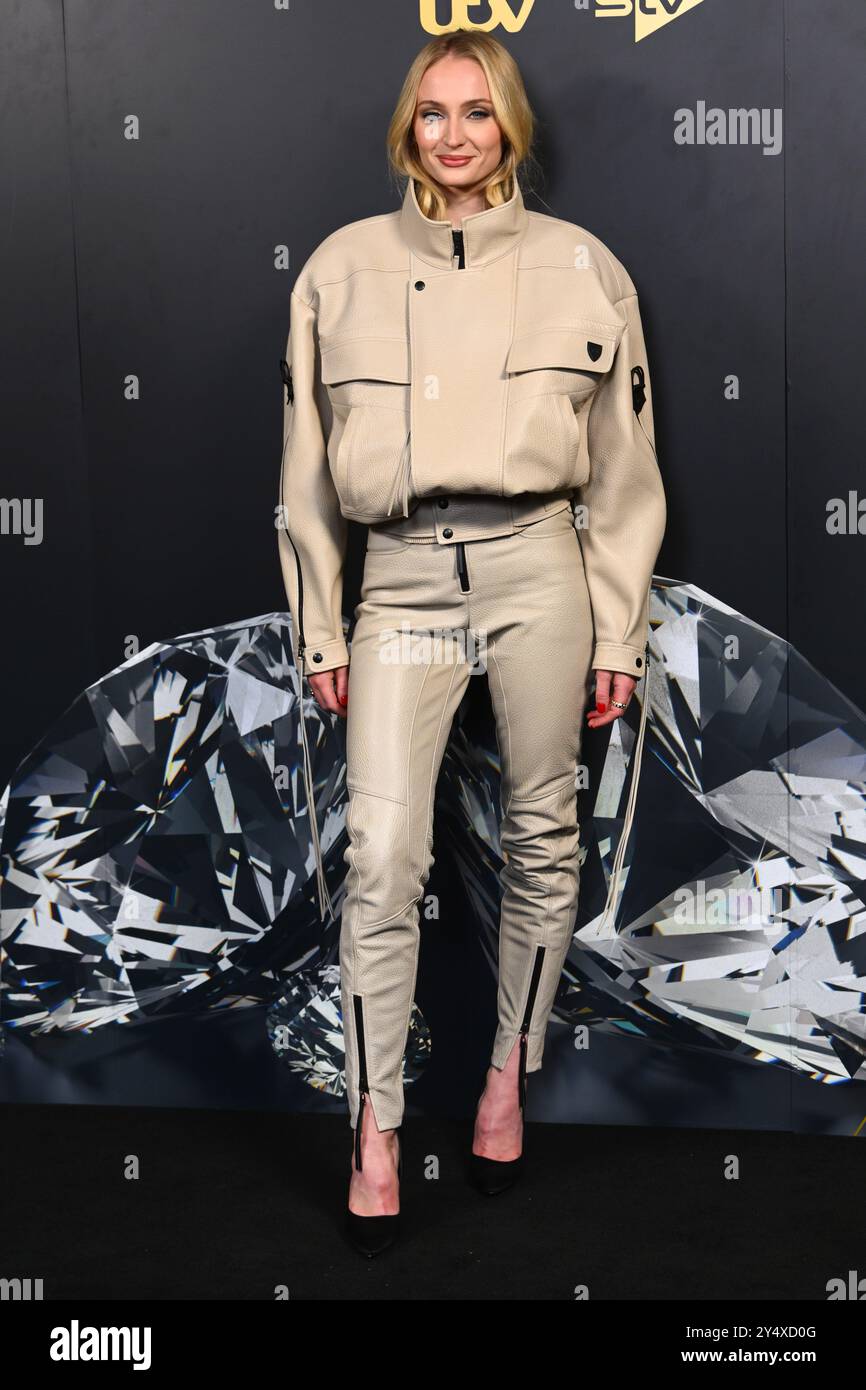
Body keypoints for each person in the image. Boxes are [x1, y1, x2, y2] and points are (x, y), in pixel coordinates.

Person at [277, 30, 666, 1257]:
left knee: (542, 828)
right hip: (398, 579)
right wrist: (322, 622)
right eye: (434, 113)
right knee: (386, 849)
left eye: (478, 114)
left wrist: (615, 627)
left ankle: (505, 1076)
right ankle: (375, 1128)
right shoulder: (337, 270)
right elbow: (300, 481)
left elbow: (623, 475)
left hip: (538, 570)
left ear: (510, 128)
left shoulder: (582, 268)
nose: (455, 136)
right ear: (408, 127)